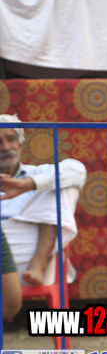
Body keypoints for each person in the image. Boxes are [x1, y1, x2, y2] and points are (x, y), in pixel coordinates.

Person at [0, 114, 87, 289]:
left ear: (21, 143)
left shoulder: (39, 174)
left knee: (62, 184)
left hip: (30, 258)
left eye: (11, 139)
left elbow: (77, 170)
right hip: (4, 252)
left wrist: (28, 184)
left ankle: (38, 264)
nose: (6, 147)